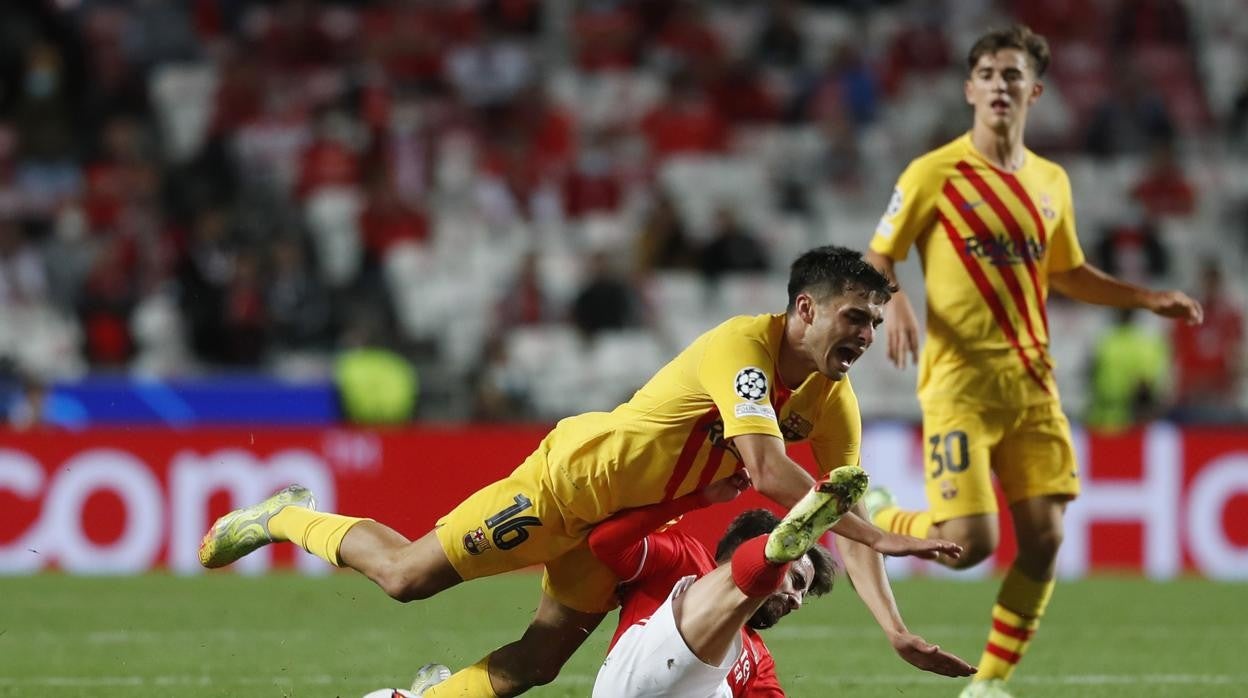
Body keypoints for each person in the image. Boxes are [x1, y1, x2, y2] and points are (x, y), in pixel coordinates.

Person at [201, 245, 975, 698]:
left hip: (627, 524)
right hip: (565, 489)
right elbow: (773, 473)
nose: (868, 335)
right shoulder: (742, 345)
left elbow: (837, 511)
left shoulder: (833, 403)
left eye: (875, 321)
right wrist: (876, 530)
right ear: (805, 309)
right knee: (407, 576)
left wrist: (895, 628)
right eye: (855, 317)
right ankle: (283, 514)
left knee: (535, 666)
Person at [862, 25, 1204, 698]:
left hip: (1034, 387)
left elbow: (1069, 271)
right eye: (987, 73)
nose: (999, 84)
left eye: (1012, 74)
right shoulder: (932, 173)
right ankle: (880, 519)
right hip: (959, 386)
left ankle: (989, 683)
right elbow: (879, 254)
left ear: (1035, 90)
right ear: (969, 88)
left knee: (1045, 538)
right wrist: (895, 301)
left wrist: (1145, 297)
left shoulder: (1051, 181)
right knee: (969, 546)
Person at [588, 467, 861, 697]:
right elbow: (604, 543)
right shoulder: (683, 556)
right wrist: (697, 498)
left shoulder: (758, 658)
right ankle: (766, 560)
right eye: (797, 581)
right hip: (638, 679)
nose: (797, 602)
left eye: (803, 593)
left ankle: (772, 559)